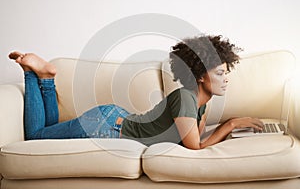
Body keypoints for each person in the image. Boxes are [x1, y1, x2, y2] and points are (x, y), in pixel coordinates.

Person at [9, 35, 263, 150]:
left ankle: (46, 77)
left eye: (226, 72)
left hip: (114, 119)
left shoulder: (199, 102)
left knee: (47, 132)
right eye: (219, 73)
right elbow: (195, 146)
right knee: (35, 138)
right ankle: (32, 74)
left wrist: (230, 128)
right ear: (199, 75)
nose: (226, 79)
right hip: (106, 125)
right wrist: (231, 125)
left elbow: (194, 138)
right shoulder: (185, 97)